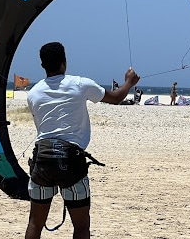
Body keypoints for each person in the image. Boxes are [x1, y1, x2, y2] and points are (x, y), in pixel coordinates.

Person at [25, 42, 140, 238]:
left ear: (43, 65)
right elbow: (116, 98)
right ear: (64, 62)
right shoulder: (79, 84)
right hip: (70, 160)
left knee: (35, 223)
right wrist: (129, 82)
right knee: (80, 226)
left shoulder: (33, 93)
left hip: (42, 159)